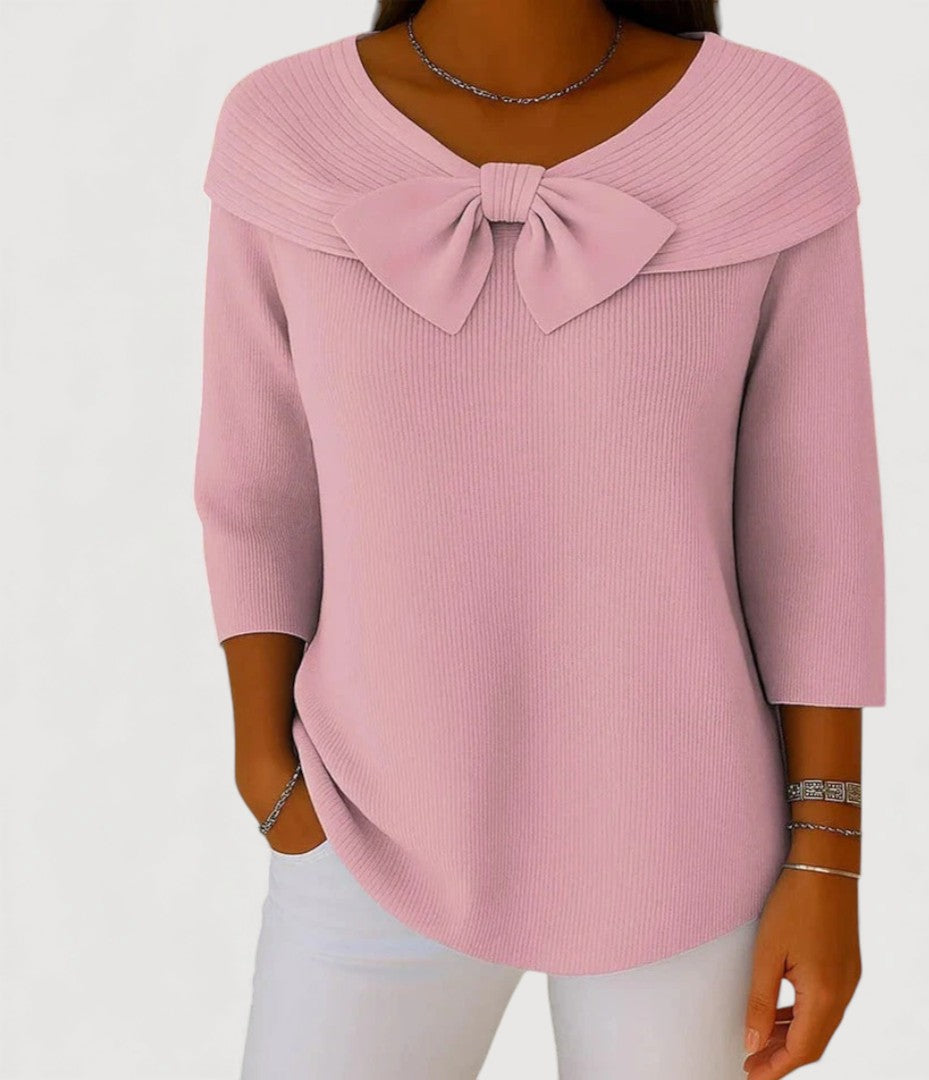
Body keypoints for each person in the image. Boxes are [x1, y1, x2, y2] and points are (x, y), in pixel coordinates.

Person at [192, 1, 886, 1077]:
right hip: (365, 820)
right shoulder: (285, 127)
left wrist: (828, 853)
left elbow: (816, 522)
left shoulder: (769, 128)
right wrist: (268, 775)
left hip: (684, 838)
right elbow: (257, 478)